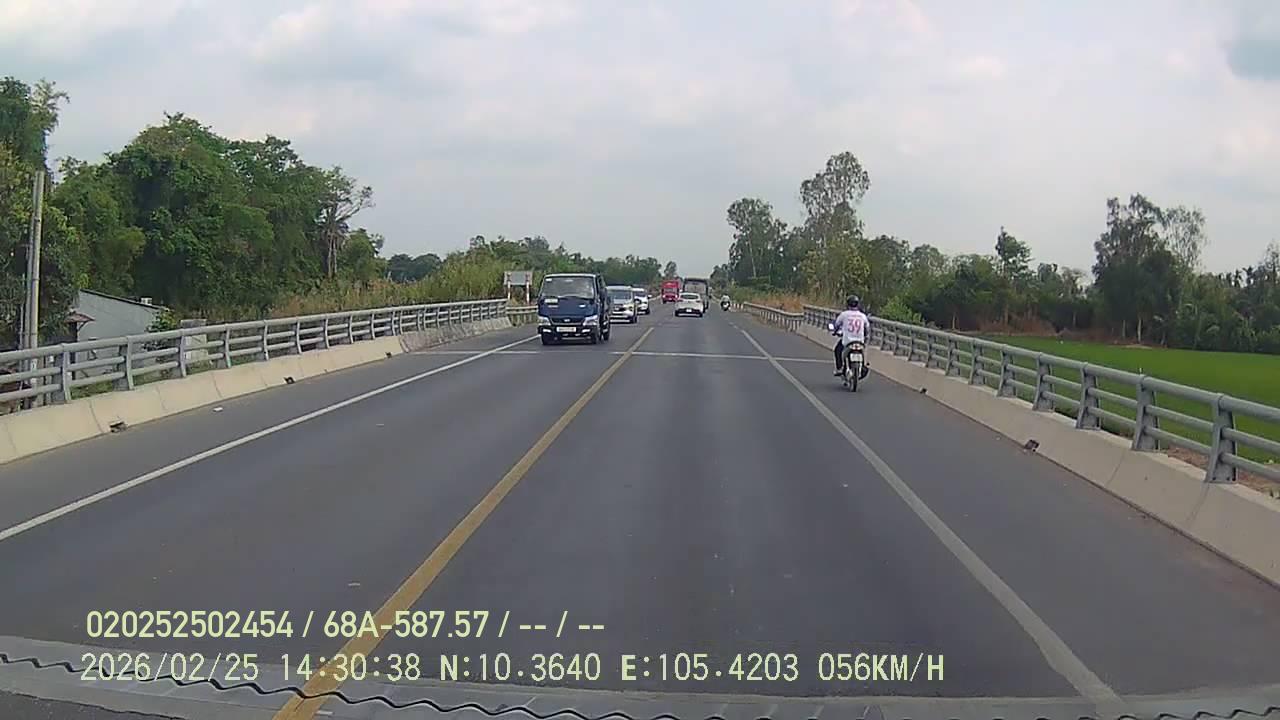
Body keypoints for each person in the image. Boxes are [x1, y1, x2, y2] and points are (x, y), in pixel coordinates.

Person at [831, 295, 871, 377]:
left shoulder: (844, 315)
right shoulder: (862, 316)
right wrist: (866, 336)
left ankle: (839, 368)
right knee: (864, 351)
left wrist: (835, 331)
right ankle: (863, 365)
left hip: (847, 341)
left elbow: (836, 324)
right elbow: (867, 328)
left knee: (837, 350)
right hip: (860, 341)